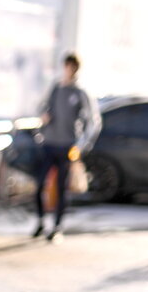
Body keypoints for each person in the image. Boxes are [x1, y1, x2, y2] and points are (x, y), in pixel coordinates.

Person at [33, 52, 101, 241]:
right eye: (67, 66)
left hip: (67, 146)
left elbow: (93, 121)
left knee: (61, 187)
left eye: (73, 67)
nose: (69, 70)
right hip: (49, 143)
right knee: (40, 185)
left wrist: (81, 145)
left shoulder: (80, 92)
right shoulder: (55, 87)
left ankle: (57, 226)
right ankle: (40, 221)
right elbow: (41, 107)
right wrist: (43, 118)